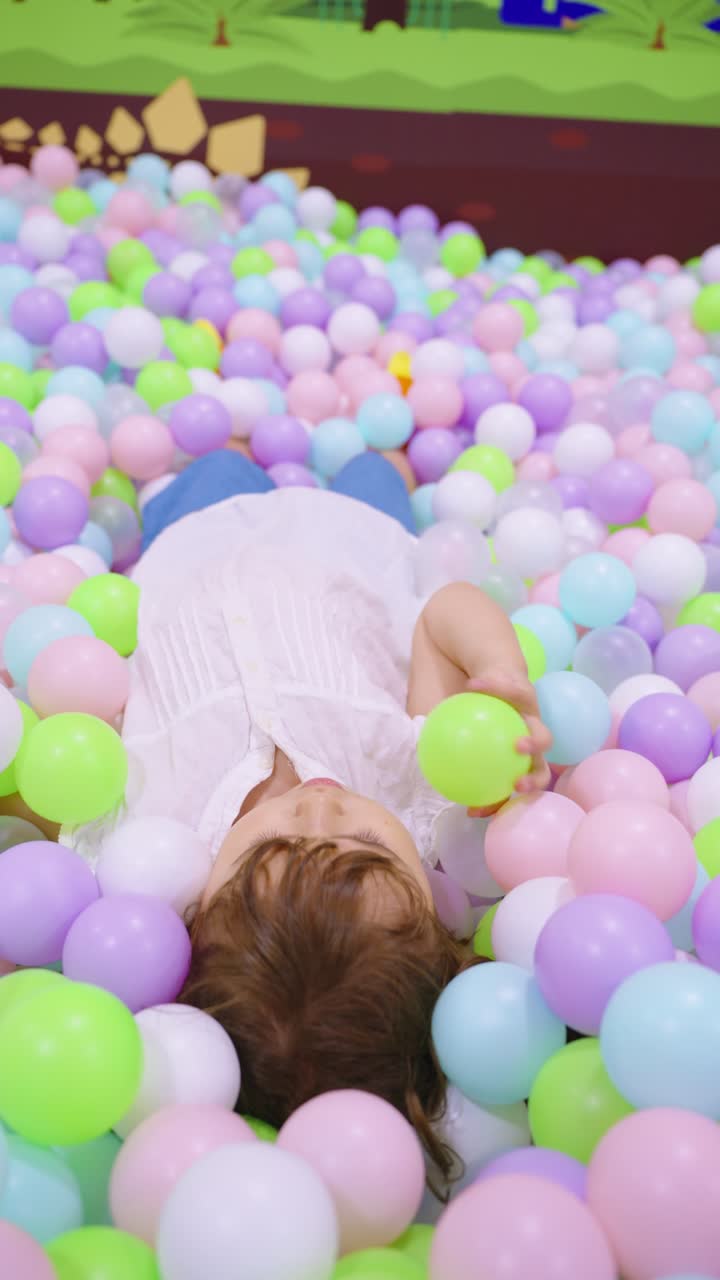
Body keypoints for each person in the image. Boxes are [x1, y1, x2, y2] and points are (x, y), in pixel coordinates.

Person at [64, 446, 551, 1184]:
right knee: (375, 470)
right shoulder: (423, 797)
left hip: (197, 540)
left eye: (278, 842)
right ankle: (382, 457)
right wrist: (503, 678)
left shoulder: (143, 837)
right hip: (355, 542)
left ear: (194, 915)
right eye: (365, 840)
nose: (321, 805)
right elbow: (441, 617)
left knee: (217, 459)